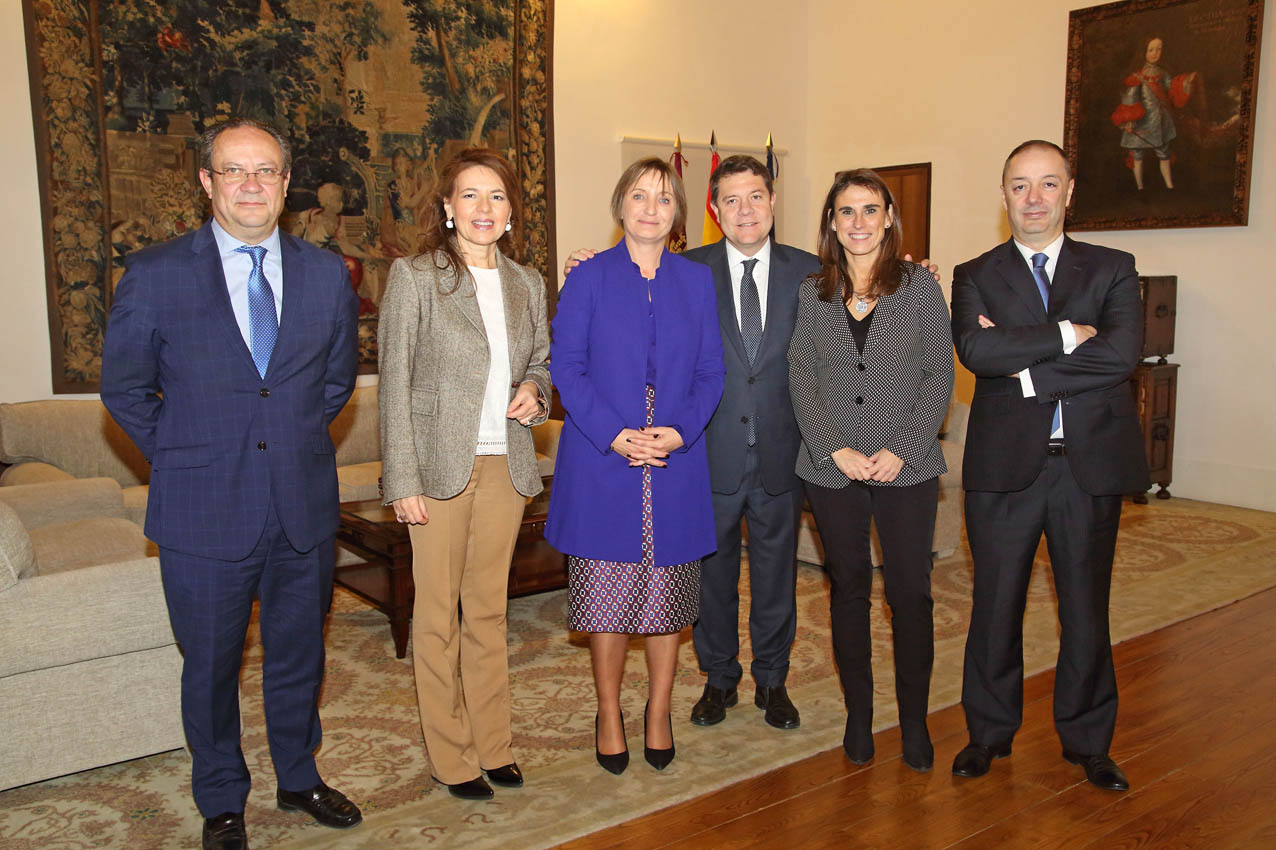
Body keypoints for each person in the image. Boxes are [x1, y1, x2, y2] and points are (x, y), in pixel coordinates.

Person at [101, 117, 362, 850]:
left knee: (298, 654)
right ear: (207, 183)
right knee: (211, 666)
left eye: (266, 171)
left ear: (285, 183)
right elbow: (123, 390)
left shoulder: (323, 274)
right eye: (234, 171)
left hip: (301, 507)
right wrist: (186, 455)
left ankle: (299, 774)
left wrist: (289, 444)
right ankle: (221, 796)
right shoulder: (154, 275)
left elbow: (333, 384)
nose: (251, 184)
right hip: (201, 513)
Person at [949, 140, 1149, 791]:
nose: (1033, 198)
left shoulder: (1113, 267)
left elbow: (1120, 356)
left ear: (1069, 192)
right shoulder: (975, 272)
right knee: (995, 606)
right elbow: (978, 350)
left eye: (1046, 184)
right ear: (1004, 195)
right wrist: (1068, 335)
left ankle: (1089, 743)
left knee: (1086, 610)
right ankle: (988, 734)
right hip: (1004, 470)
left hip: (1086, 469)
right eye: (1019, 186)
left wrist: (1026, 373)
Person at [378, 148, 551, 801]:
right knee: (436, 616)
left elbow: (540, 361)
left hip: (505, 463)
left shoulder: (526, 282)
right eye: (470, 196)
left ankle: (495, 744)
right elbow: (393, 383)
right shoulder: (416, 277)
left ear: (511, 211)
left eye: (497, 197)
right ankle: (450, 756)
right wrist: (402, 480)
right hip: (436, 468)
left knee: (487, 612)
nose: (484, 209)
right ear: (448, 206)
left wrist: (536, 391)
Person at [546, 157, 725, 775]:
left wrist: (678, 433)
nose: (652, 208)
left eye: (665, 199)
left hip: (676, 458)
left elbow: (711, 372)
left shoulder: (695, 281)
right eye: (641, 196)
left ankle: (658, 712)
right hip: (604, 457)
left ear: (678, 215)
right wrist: (616, 435)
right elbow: (564, 369)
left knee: (667, 601)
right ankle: (607, 711)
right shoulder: (588, 278)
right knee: (607, 597)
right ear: (621, 204)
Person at [787, 169, 954, 771]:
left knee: (910, 595)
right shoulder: (813, 292)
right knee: (848, 591)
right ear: (832, 223)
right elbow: (802, 379)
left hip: (905, 468)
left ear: (889, 218)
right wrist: (836, 447)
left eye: (869, 210)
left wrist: (903, 447)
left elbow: (938, 375)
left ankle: (914, 723)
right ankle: (860, 717)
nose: (858, 222)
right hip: (832, 470)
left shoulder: (921, 288)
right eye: (845, 211)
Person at [1111, 36, 1191, 191]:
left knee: (1164, 152)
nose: (1155, 53)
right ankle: (1139, 187)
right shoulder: (1137, 77)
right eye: (1151, 49)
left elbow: (1172, 89)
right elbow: (1130, 98)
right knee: (1138, 155)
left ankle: (1169, 185)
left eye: (1159, 49)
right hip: (1141, 121)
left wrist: (1185, 84)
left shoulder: (1163, 73)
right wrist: (1129, 121)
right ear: (1144, 52)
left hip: (1160, 122)